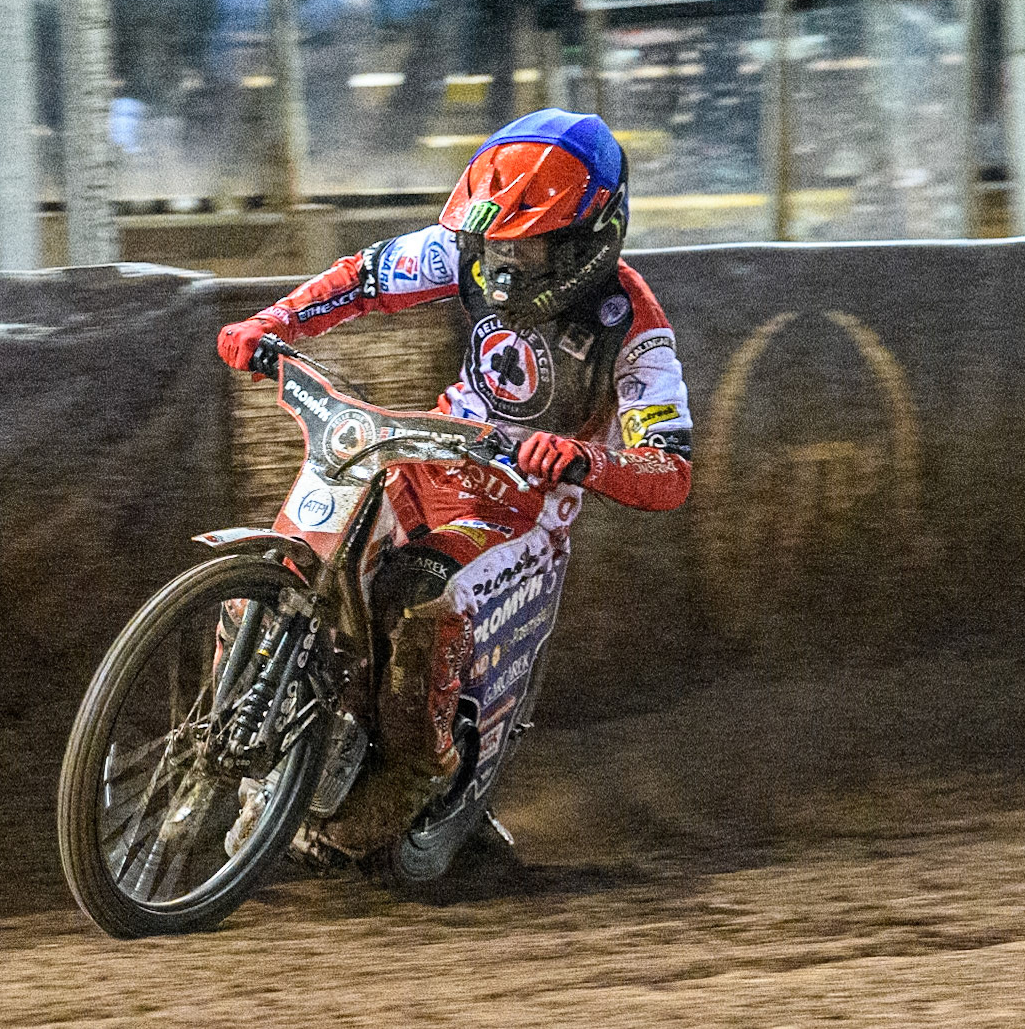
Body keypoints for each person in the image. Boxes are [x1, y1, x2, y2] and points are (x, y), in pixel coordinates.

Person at [215, 108, 693, 858]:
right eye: (492, 245)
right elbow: (363, 278)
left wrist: (583, 459)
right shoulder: (469, 250)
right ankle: (249, 746)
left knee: (422, 604)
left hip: (521, 512)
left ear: (586, 244)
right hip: (427, 457)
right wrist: (275, 322)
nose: (501, 266)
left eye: (526, 248)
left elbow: (670, 471)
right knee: (296, 554)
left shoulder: (635, 330)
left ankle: (414, 776)